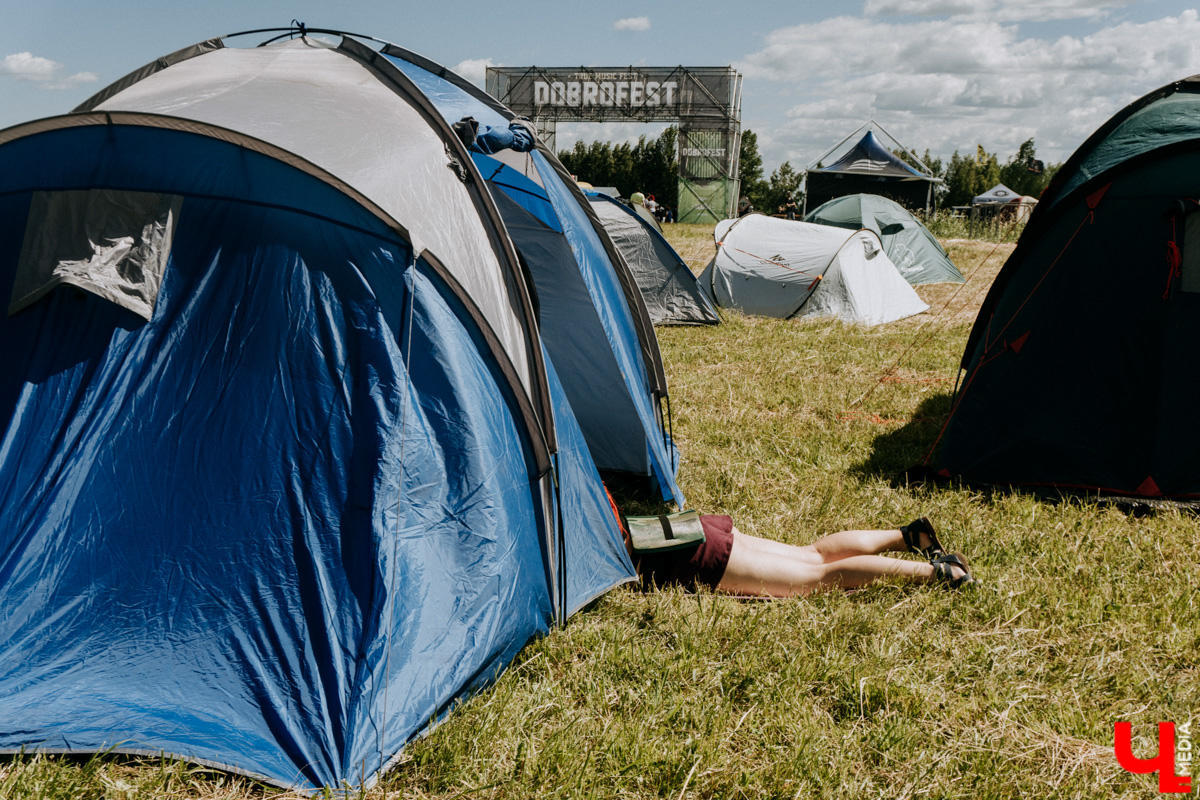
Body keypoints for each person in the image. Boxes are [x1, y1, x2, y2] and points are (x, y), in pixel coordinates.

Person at [611, 501, 976, 596]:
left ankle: (941, 572)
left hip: (680, 555)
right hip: (673, 530)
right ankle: (911, 536)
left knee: (813, 578)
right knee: (811, 555)